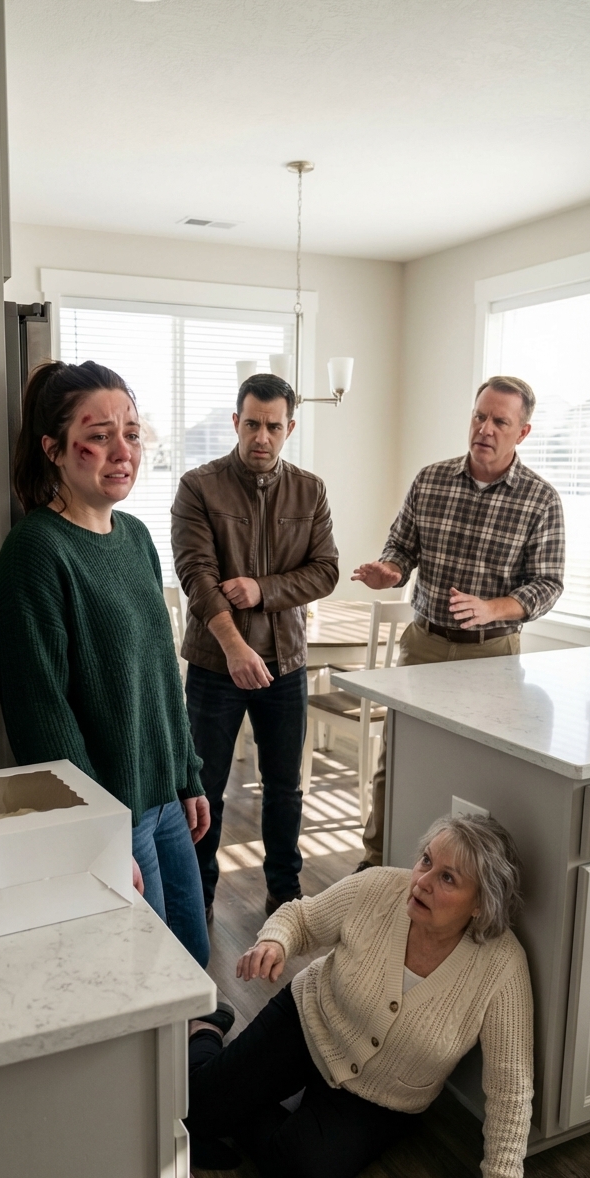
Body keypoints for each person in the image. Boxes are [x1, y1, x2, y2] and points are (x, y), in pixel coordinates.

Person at [187, 814, 557, 1178]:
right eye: (426, 861)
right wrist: (276, 943)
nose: (422, 881)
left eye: (447, 878)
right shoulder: (380, 888)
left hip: (382, 1095)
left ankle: (242, 1094)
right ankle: (206, 1030)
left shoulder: (503, 967)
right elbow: (301, 917)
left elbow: (511, 1085)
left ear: (481, 904)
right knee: (195, 1107)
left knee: (297, 1177)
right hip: (310, 1021)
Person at [0, 359, 210, 968]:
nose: (123, 451)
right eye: (99, 435)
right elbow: (41, 716)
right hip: (112, 812)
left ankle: (202, 1057)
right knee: (149, 972)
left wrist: (187, 775)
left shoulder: (136, 536)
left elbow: (162, 674)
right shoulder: (35, 552)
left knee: (191, 956)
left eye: (132, 433)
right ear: (54, 449)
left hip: (163, 797)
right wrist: (98, 834)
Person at [353, 375, 565, 867]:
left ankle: (458, 878)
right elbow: (401, 548)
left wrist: (496, 608)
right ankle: (374, 864)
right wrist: (390, 571)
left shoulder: (540, 499)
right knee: (398, 762)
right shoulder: (430, 479)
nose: (485, 428)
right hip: (423, 646)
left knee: (478, 774)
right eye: (479, 416)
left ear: (522, 432)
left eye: (499, 421)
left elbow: (548, 583)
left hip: (492, 657)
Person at [171, 373, 339, 919]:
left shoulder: (310, 490)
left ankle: (284, 896)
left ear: (290, 427)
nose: (260, 437)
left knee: (285, 789)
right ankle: (198, 899)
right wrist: (236, 648)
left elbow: (327, 571)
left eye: (272, 426)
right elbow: (196, 575)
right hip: (216, 665)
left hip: (286, 664)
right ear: (234, 422)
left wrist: (263, 590)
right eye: (251, 424)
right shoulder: (198, 486)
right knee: (204, 790)